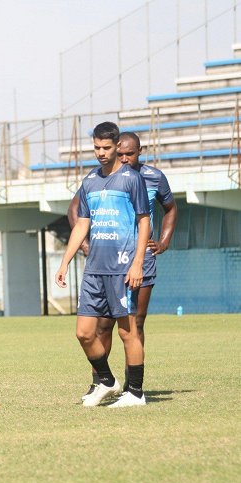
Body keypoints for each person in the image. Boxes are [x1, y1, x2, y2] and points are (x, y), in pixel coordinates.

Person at [68, 131, 178, 398]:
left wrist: (162, 242)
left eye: (131, 153)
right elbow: (75, 211)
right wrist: (85, 246)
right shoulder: (101, 178)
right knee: (102, 326)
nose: (126, 158)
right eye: (123, 153)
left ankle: (133, 386)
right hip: (108, 261)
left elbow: (169, 209)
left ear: (140, 151)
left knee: (135, 323)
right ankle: (101, 382)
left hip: (140, 259)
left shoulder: (152, 177)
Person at [55, 122, 151, 408]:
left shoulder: (131, 179)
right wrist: (64, 262)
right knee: (84, 332)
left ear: (117, 146)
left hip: (122, 268)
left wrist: (137, 263)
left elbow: (144, 221)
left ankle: (135, 393)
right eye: (96, 147)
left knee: (127, 331)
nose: (100, 153)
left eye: (106, 148)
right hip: (94, 269)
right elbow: (82, 223)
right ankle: (107, 382)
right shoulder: (89, 183)